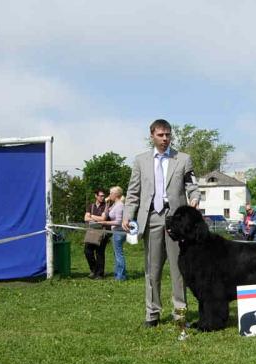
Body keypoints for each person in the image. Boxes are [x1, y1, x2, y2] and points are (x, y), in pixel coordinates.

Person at [122, 119, 200, 328]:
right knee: (152, 269)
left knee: (178, 269)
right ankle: (152, 313)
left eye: (168, 135)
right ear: (152, 136)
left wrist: (194, 199)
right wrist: (128, 214)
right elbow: (133, 192)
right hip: (151, 219)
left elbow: (192, 186)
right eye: (160, 135)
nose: (165, 139)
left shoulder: (183, 159)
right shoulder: (140, 161)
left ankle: (180, 312)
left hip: (178, 220)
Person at [101, 186, 127, 281]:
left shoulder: (120, 205)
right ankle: (118, 274)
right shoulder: (114, 205)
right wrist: (107, 204)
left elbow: (119, 222)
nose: (109, 195)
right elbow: (106, 215)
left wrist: (105, 223)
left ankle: (121, 276)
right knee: (116, 254)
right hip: (115, 231)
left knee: (119, 254)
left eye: (111, 193)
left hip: (119, 231)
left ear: (116, 195)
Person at [84, 189, 110, 279]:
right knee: (87, 251)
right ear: (96, 196)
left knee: (99, 253)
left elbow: (103, 219)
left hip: (102, 231)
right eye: (101, 196)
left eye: (103, 196)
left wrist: (91, 216)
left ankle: (100, 274)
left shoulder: (106, 206)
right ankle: (94, 269)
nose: (102, 197)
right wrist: (96, 218)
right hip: (91, 231)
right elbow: (85, 218)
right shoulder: (90, 206)